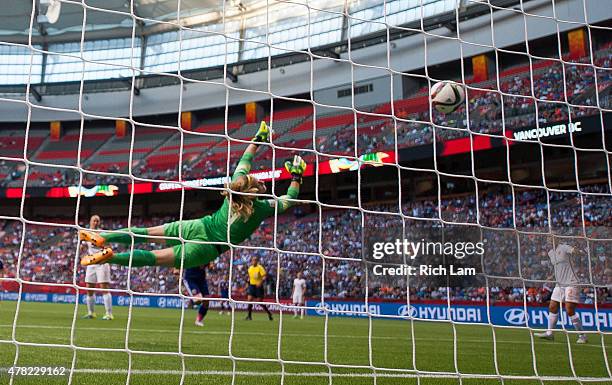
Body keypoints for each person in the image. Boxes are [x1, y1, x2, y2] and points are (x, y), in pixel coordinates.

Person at [79, 122, 307, 271]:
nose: (262, 181)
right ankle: (112, 258)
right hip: (207, 248)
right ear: (255, 191)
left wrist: (258, 139)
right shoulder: (262, 209)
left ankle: (105, 236)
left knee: (146, 233)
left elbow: (245, 161)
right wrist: (296, 177)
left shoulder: (233, 192)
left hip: (197, 226)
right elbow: (289, 200)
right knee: (155, 258)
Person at [535, 243, 587, 344]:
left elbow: (574, 251)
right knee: (552, 306)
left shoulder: (564, 247)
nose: (549, 239)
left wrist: (577, 251)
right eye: (548, 238)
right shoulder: (550, 253)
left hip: (571, 282)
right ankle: (550, 333)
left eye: (551, 236)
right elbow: (558, 268)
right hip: (559, 284)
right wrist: (551, 276)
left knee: (569, 309)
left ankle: (582, 335)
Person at [82, 215, 113, 320]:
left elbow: (109, 248)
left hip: (102, 263)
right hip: (91, 263)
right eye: (94, 220)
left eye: (97, 221)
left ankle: (109, 313)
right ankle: (91, 313)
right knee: (89, 288)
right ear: (90, 222)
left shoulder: (103, 234)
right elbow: (83, 246)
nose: (96, 222)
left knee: (104, 287)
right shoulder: (86, 233)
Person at [245, 256, 273, 321]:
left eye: (255, 260)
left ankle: (269, 313)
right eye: (253, 260)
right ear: (251, 261)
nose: (254, 261)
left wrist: (261, 282)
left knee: (259, 302)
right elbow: (249, 277)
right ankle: (249, 316)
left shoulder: (260, 267)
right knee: (249, 300)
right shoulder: (250, 268)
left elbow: (264, 276)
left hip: (259, 287)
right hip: (252, 286)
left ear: (257, 261)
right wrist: (247, 284)